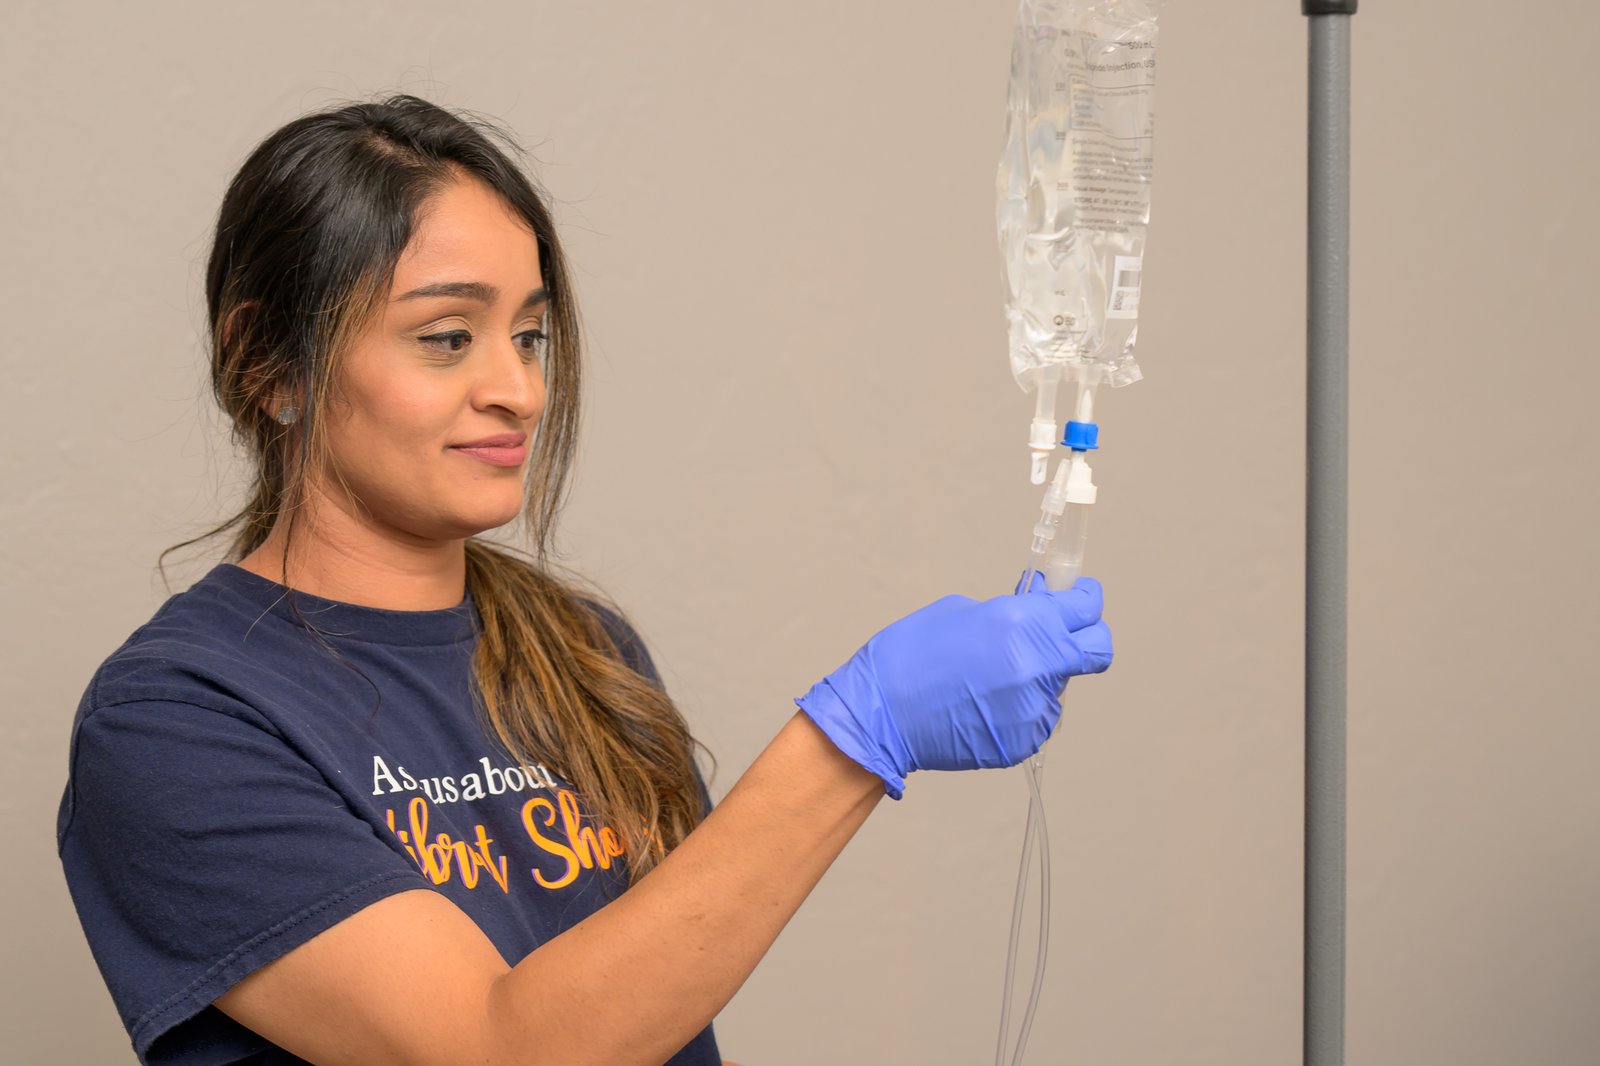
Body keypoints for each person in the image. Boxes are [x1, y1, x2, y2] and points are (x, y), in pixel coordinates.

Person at [55, 94, 1114, 1066]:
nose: (518, 389)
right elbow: (493, 1048)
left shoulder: (582, 650)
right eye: (447, 337)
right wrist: (855, 733)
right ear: (267, 364)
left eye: (529, 335)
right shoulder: (176, 721)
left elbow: (659, 1001)